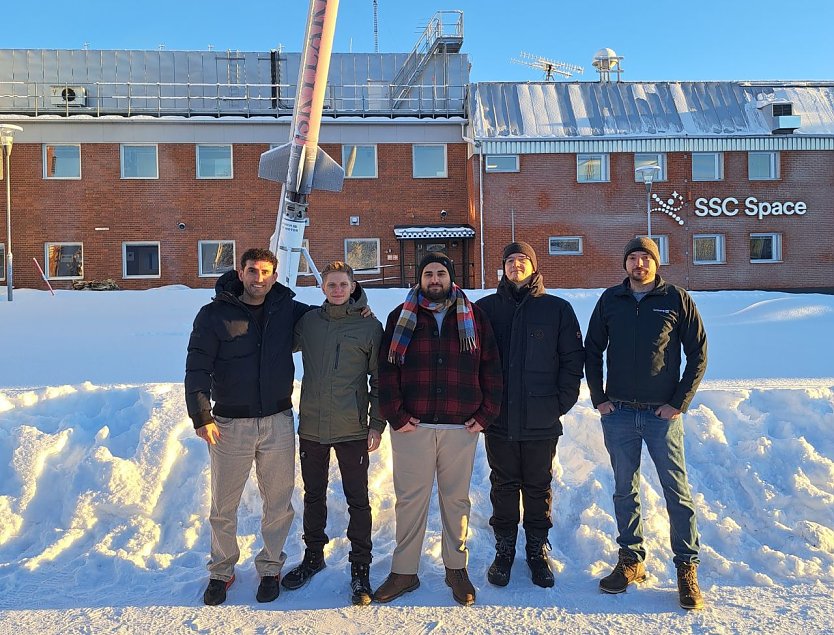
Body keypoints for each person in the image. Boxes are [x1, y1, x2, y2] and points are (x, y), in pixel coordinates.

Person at [585, 237, 708, 610]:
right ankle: (631, 560)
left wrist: (678, 403)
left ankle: (686, 568)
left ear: (656, 263)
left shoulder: (676, 299)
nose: (639, 264)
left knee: (677, 492)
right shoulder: (610, 300)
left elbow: (698, 352)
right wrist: (599, 398)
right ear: (625, 264)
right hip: (619, 413)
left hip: (661, 416)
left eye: (646, 258)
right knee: (625, 489)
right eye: (633, 258)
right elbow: (592, 350)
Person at [373, 252, 502, 606]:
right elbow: (387, 372)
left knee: (456, 499)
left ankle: (456, 568)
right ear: (419, 279)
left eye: (440, 273)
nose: (434, 279)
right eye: (428, 273)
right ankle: (404, 571)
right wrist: (395, 415)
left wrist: (486, 412)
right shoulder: (400, 316)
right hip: (412, 426)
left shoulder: (475, 316)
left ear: (451, 277)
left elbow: (491, 368)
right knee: (410, 501)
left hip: (461, 425)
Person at [184, 247, 311, 606]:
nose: (259, 279)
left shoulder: (286, 307)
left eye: (266, 272)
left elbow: (327, 320)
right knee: (223, 505)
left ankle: (270, 566)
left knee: (279, 502)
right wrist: (201, 415)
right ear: (241, 273)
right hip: (228, 424)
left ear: (274, 275)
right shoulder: (213, 315)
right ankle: (221, 571)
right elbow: (197, 367)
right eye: (252, 271)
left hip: (278, 421)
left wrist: (357, 306)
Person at [475, 241, 585, 589]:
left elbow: (572, 362)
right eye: (510, 260)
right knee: (503, 486)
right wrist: (482, 405)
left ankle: (537, 551)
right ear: (503, 267)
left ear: (534, 267)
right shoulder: (485, 309)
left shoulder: (557, 310)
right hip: (499, 418)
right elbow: (471, 362)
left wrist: (559, 404)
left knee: (538, 487)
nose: (516, 265)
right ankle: (504, 549)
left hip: (541, 419)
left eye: (523, 259)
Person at [280, 261, 385, 606]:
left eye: (343, 284)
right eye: (331, 285)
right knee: (313, 494)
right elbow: (276, 333)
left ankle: (360, 567)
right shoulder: (309, 323)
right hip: (312, 424)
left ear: (353, 287)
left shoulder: (369, 327)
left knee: (358, 498)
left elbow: (379, 380)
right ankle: (313, 555)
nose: (338, 290)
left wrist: (375, 422)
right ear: (322, 288)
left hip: (352, 427)